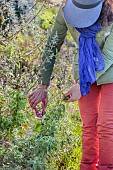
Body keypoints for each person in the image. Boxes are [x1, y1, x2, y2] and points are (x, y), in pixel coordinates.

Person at [28, 0, 113, 169]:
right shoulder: (66, 8)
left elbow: (109, 55)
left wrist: (82, 85)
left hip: (110, 68)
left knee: (106, 124)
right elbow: (52, 45)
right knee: (88, 124)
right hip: (83, 67)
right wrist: (42, 86)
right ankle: (87, 166)